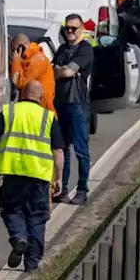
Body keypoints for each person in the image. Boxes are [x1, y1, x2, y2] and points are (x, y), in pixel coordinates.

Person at [0, 80, 65, 272]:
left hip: (13, 173)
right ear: (41, 96)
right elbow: (58, 151)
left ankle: (19, 237)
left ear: (22, 94)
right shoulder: (48, 117)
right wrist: (58, 178)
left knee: (12, 210)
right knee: (36, 217)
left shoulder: (9, 112)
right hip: (39, 175)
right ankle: (31, 264)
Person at [52, 13, 94, 205]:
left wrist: (63, 71)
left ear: (81, 29)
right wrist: (63, 71)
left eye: (73, 29)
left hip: (77, 103)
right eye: (67, 28)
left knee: (80, 150)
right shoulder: (62, 49)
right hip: (61, 103)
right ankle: (62, 188)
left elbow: (67, 70)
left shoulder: (85, 50)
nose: (69, 32)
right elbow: (55, 70)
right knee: (62, 148)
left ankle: (83, 189)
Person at [10, 34, 56, 113]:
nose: (15, 53)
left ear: (21, 47)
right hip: (37, 107)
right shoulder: (29, 59)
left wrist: (16, 62)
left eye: (15, 50)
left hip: (42, 108)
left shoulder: (37, 60)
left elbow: (21, 83)